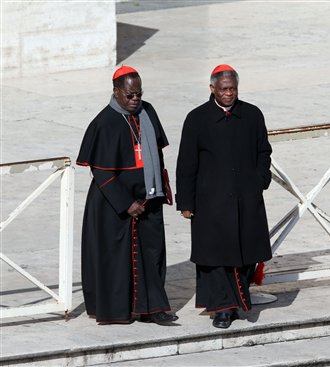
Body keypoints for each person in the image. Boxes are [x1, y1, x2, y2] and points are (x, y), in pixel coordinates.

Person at [77, 66, 178, 325]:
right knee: (117, 260)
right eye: (130, 95)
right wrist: (126, 203)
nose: (135, 100)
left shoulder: (148, 111)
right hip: (113, 204)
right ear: (116, 92)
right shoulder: (104, 122)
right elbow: (100, 171)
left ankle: (154, 308)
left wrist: (159, 187)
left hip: (149, 197)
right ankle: (117, 310)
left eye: (139, 94)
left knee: (152, 254)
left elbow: (157, 150)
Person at [176, 64, 273, 329]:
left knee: (243, 256)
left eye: (233, 89)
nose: (229, 94)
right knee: (216, 259)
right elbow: (186, 163)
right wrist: (185, 202)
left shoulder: (252, 115)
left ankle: (237, 303)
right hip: (211, 203)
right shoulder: (197, 118)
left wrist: (260, 180)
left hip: (246, 200)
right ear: (212, 89)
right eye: (224, 89)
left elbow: (264, 152)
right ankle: (222, 308)